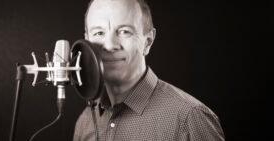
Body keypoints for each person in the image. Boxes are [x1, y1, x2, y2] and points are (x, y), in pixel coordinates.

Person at [73, 0, 225, 140]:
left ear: (148, 42)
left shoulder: (190, 117)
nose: (110, 45)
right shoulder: (85, 121)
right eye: (99, 33)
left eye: (125, 31)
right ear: (87, 41)